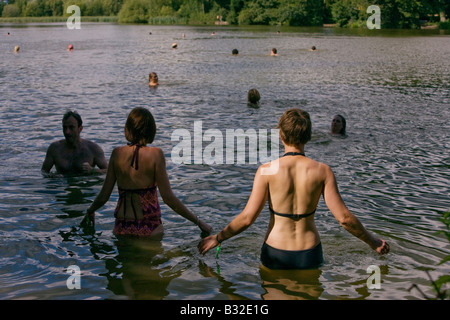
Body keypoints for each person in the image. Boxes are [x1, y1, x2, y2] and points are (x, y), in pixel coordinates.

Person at [198, 108, 389, 270]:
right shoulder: (323, 171)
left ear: (280, 134)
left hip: (275, 252)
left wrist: (218, 238)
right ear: (309, 136)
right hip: (310, 253)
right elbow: (345, 219)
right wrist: (374, 242)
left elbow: (247, 218)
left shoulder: (266, 171)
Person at [81, 107, 212, 238]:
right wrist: (198, 222)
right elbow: (168, 198)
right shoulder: (156, 154)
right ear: (151, 130)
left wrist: (90, 211)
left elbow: (104, 196)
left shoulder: (117, 153)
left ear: (128, 129)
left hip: (121, 227)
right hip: (150, 227)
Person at [42, 111, 108, 175]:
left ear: (80, 129)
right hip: (63, 185)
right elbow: (44, 172)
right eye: (65, 127)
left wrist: (93, 170)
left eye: (71, 127)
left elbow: (108, 171)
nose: (67, 132)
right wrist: (53, 177)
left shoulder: (93, 149)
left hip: (84, 185)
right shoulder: (54, 149)